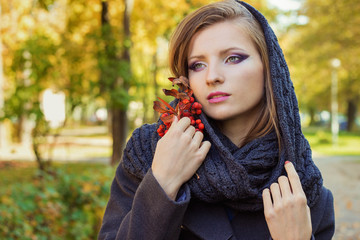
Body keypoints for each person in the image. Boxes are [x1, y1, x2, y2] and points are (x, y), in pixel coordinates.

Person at [98, 1, 335, 239]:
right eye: (198, 65)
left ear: (270, 67)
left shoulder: (304, 191)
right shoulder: (149, 153)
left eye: (233, 58)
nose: (212, 77)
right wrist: (162, 183)